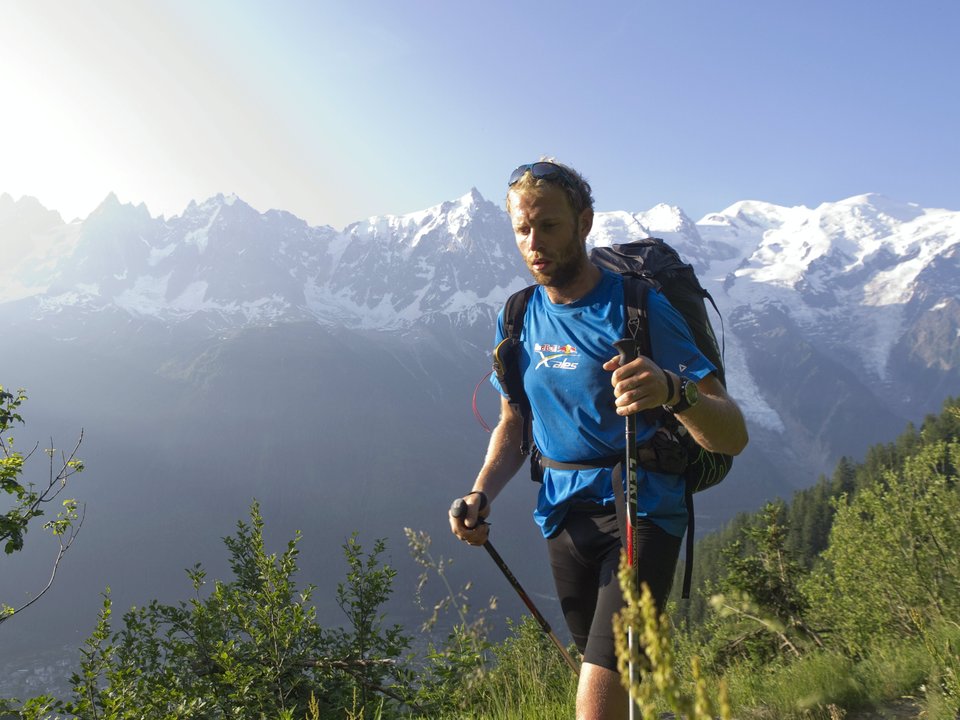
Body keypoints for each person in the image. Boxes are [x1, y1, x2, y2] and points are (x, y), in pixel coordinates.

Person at [449, 159, 749, 720]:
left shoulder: (638, 307)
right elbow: (514, 424)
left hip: (641, 512)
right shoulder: (517, 316)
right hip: (563, 519)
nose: (533, 242)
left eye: (549, 226)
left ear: (584, 223)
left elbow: (731, 434)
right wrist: (481, 493)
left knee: (596, 702)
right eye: (522, 229)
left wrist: (671, 391)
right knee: (618, 689)